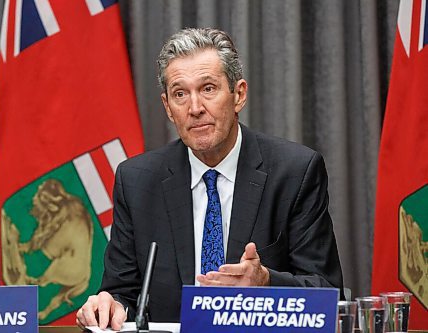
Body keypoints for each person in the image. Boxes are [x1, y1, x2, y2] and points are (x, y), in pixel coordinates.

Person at [76, 27, 343, 330]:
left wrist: (266, 282)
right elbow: (122, 292)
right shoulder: (137, 181)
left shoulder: (294, 171)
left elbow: (326, 292)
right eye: (180, 94)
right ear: (167, 107)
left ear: (238, 95)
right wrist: (108, 304)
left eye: (208, 89)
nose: (195, 108)